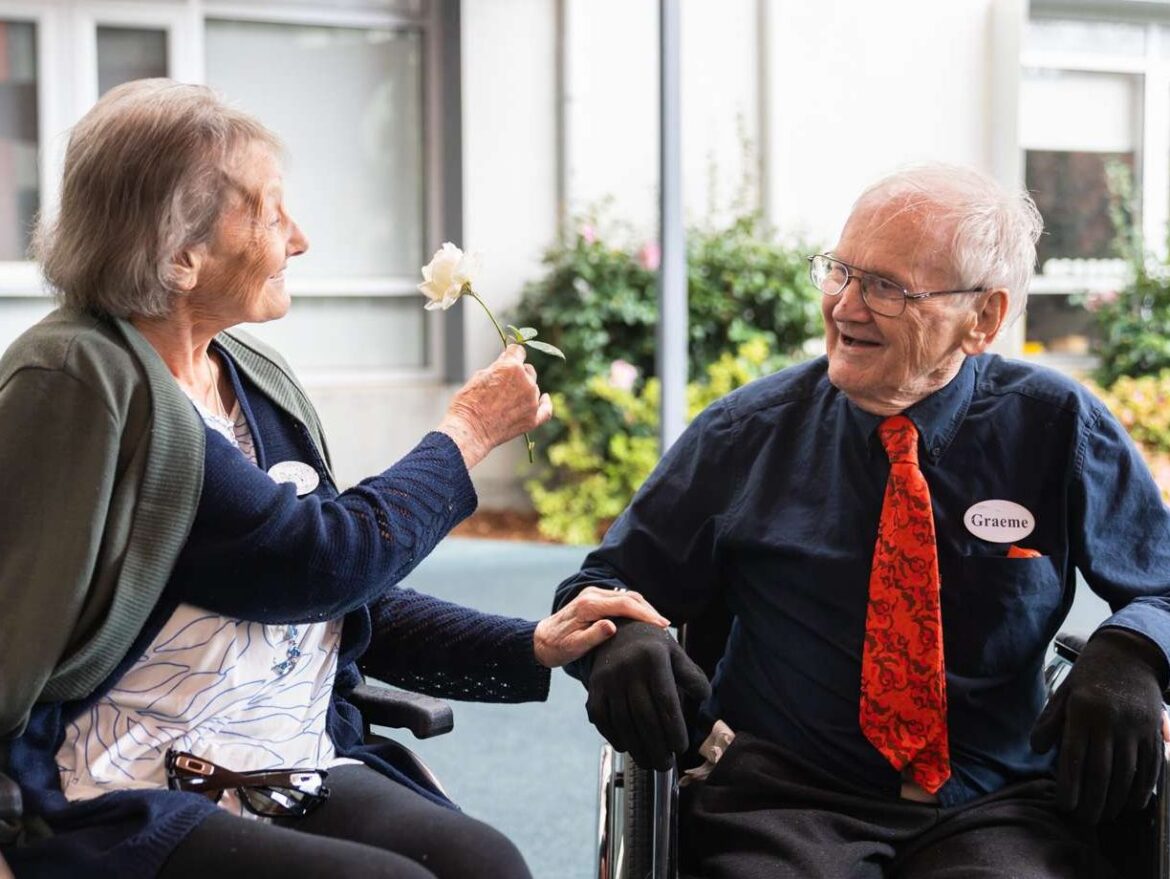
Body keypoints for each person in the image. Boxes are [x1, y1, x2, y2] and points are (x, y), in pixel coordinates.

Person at [0, 78, 671, 879]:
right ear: (181, 254)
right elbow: (316, 559)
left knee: (487, 865)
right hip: (122, 778)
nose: (301, 238)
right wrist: (466, 433)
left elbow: (341, 600)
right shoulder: (84, 378)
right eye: (270, 211)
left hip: (287, 756)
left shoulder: (247, 373)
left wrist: (531, 643)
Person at [555, 164, 1170, 878]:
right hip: (784, 798)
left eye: (886, 287)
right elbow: (598, 585)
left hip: (996, 800)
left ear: (983, 318)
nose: (845, 306)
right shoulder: (745, 433)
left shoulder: (1057, 426)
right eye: (839, 271)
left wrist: (1134, 651)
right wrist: (621, 637)